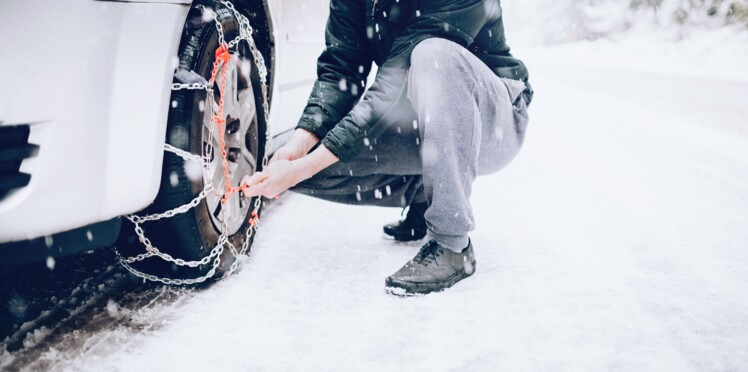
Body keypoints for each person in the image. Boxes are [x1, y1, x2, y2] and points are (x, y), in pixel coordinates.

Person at [241, 0, 532, 295]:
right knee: (304, 172)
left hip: (494, 120)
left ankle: (451, 242)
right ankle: (424, 193)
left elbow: (393, 83)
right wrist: (296, 147)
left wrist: (304, 165)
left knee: (434, 54)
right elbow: (340, 72)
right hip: (418, 116)